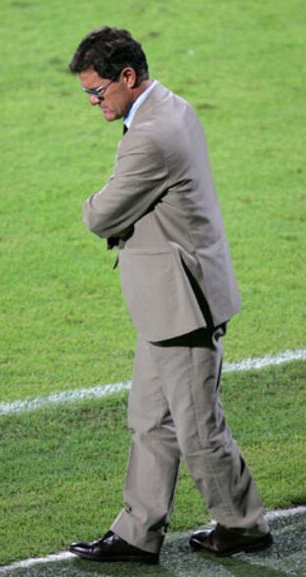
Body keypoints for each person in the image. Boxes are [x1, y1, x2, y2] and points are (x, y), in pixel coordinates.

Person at [67, 26, 273, 564]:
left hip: (183, 304)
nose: (93, 102)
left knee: (197, 428)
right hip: (168, 299)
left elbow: (101, 214)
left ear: (127, 77)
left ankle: (242, 523)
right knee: (149, 420)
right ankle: (138, 531)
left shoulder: (151, 136)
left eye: (97, 91)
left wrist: (97, 206)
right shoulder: (170, 106)